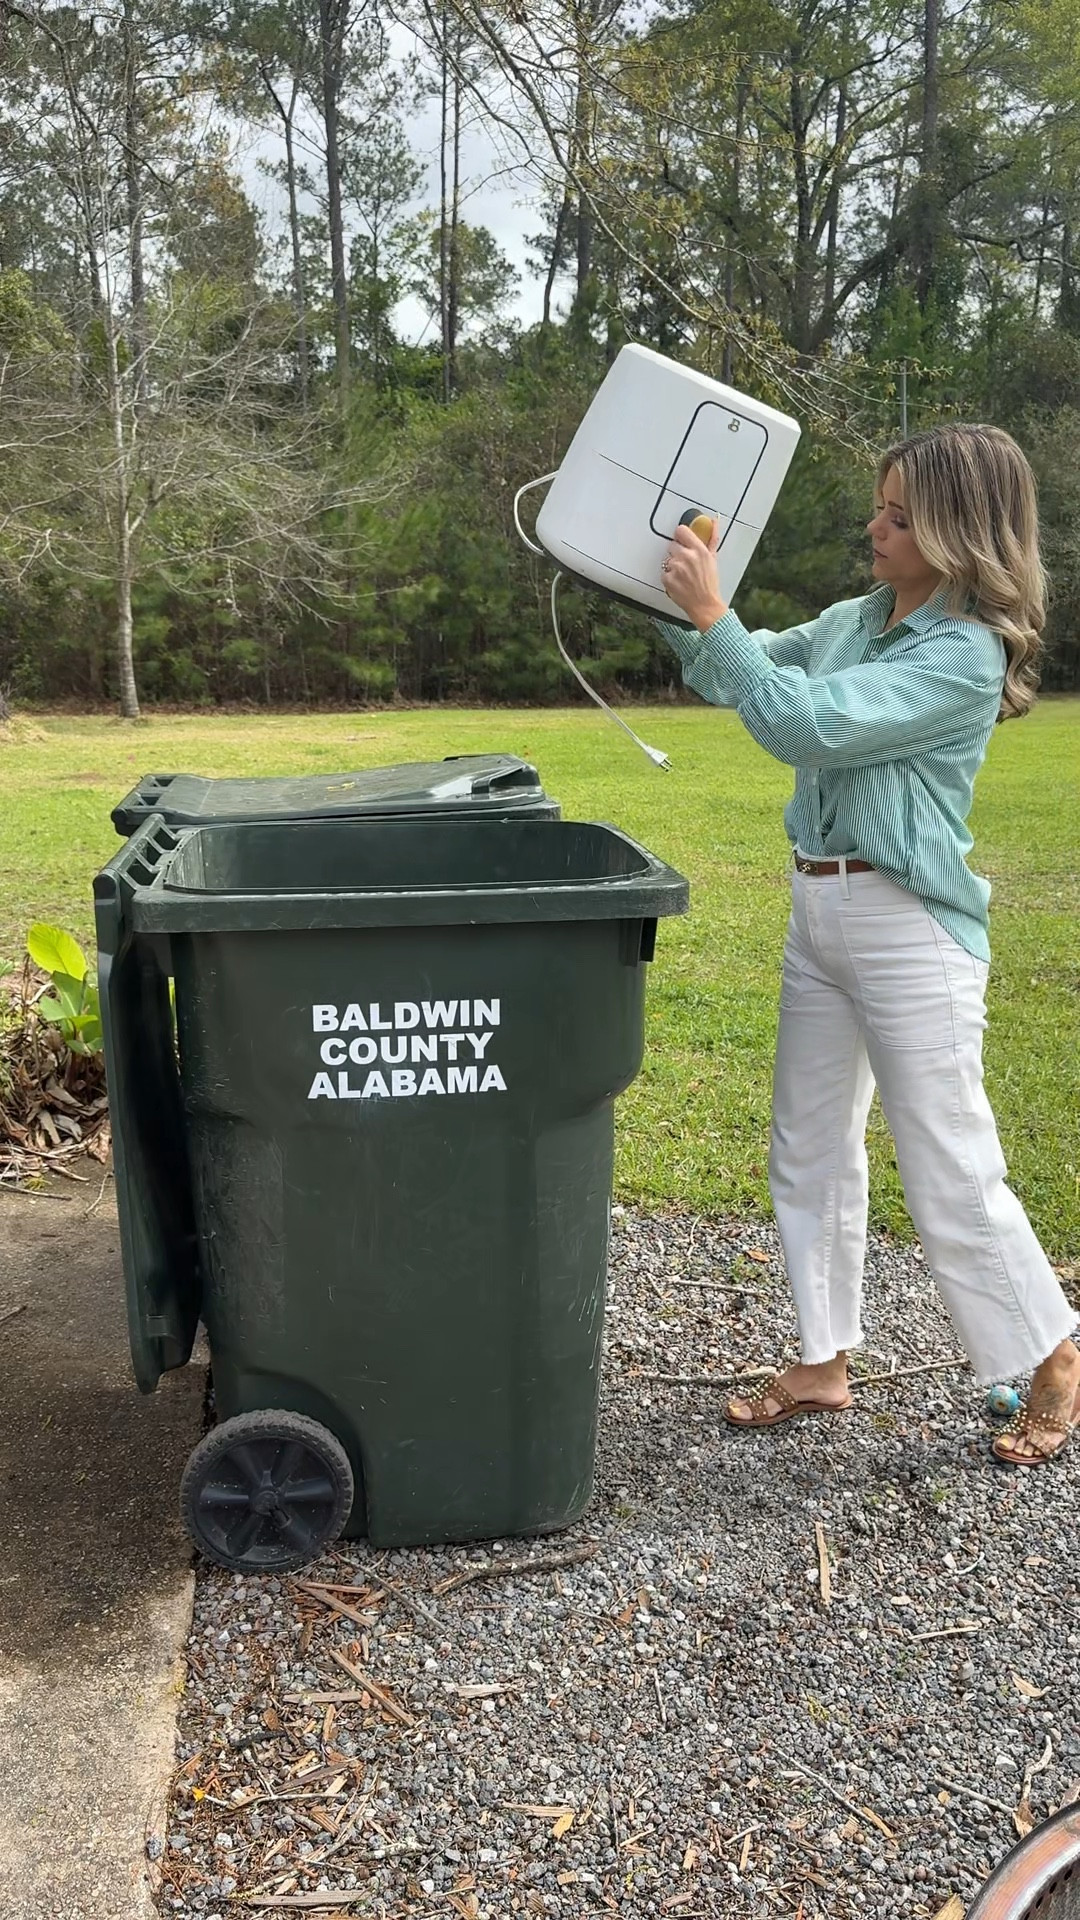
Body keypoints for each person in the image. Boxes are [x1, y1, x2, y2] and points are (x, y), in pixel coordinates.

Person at [654, 422, 1079, 1466]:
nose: (874, 527)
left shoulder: (960, 655)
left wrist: (715, 614)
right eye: (880, 508)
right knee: (808, 1149)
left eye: (898, 514)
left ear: (956, 530)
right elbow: (734, 672)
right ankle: (822, 1358)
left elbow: (806, 723)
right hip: (820, 913)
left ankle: (1055, 1353)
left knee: (949, 1166)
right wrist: (673, 597)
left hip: (909, 932)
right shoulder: (861, 617)